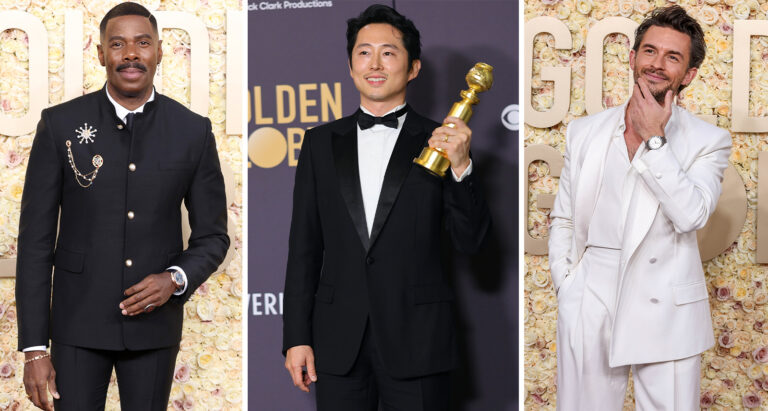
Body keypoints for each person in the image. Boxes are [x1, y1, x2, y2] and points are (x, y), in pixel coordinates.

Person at [15, 3, 229, 410]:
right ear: (101, 54)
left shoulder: (193, 131)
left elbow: (213, 236)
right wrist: (34, 349)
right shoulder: (59, 125)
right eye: (118, 44)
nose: (131, 53)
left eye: (142, 43)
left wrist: (176, 278)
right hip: (76, 326)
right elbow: (36, 244)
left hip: (155, 329)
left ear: (160, 51)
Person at [281, 4, 490, 410]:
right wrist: (296, 337)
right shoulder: (319, 143)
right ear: (350, 64)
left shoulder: (442, 142)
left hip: (419, 341)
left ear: (413, 68)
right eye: (364, 52)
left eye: (389, 52)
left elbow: (473, 243)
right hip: (338, 344)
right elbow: (304, 249)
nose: (374, 63)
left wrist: (463, 166)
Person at [548, 5, 731, 410]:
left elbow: (692, 215)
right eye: (649, 51)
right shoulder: (584, 131)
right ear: (632, 58)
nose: (657, 64)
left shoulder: (709, 141)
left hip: (666, 305)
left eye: (673, 57)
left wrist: (654, 141)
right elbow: (563, 216)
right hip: (589, 295)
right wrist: (568, 284)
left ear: (690, 75)